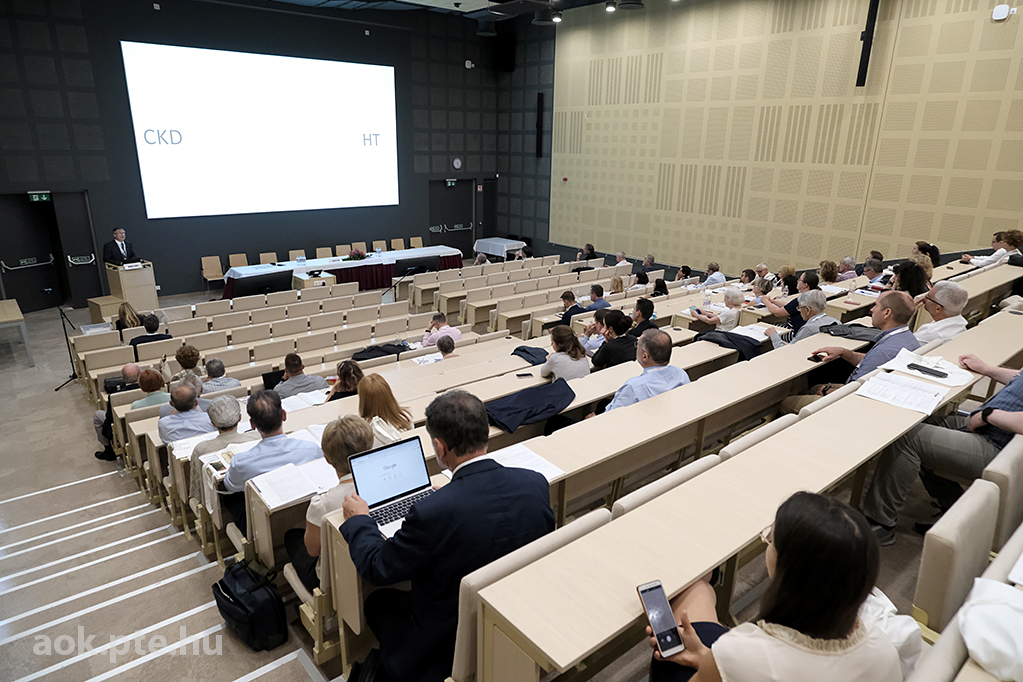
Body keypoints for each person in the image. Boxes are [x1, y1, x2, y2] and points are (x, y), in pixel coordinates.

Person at [339, 390, 555, 682]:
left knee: (377, 602)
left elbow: (378, 567)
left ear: (439, 447)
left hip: (445, 637)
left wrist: (360, 520)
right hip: (513, 611)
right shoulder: (535, 483)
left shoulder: (431, 513)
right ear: (485, 432)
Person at [648, 492, 901, 682]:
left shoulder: (742, 652)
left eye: (771, 538)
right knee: (701, 592)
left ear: (788, 569)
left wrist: (714, 662)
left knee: (673, 649)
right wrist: (708, 658)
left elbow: (748, 665)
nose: (768, 542)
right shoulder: (883, 651)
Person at [863, 353, 1023, 546]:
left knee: (907, 437)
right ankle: (953, 510)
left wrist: (987, 415)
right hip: (991, 428)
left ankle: (879, 523)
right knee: (917, 420)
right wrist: (986, 369)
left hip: (1001, 448)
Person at [781, 291, 920, 414]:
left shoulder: (884, 351)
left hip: (850, 402)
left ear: (887, 313)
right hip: (861, 390)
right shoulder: (907, 339)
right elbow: (872, 360)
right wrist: (844, 352)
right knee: (814, 387)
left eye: (876, 305)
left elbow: (855, 393)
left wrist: (826, 391)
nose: (871, 309)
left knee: (786, 403)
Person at [285, 415, 374, 592]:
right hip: (369, 561)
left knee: (292, 536)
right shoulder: (386, 484)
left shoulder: (322, 503)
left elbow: (313, 550)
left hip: (334, 578)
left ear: (326, 458)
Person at [222, 390, 323, 534]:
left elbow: (230, 486)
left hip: (265, 529)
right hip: (306, 518)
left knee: (232, 498)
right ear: (284, 415)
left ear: (252, 424)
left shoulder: (240, 462)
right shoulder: (311, 449)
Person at [188, 395, 260, 507]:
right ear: (240, 418)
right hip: (257, 497)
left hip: (218, 505)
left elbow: (197, 489)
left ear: (213, 423)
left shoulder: (201, 449)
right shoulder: (256, 438)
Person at [599, 329, 689, 413]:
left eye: (637, 346)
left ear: (644, 356)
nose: (636, 348)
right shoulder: (681, 374)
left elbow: (612, 415)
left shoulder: (633, 387)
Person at [93, 363, 140, 461]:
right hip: (140, 421)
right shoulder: (148, 388)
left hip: (121, 425)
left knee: (97, 415)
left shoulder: (114, 396)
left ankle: (108, 451)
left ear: (122, 378)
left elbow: (110, 417)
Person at [765, 290, 839, 349]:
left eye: (799, 308)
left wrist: (774, 335)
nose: (799, 311)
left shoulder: (808, 328)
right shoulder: (836, 322)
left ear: (807, 310)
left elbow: (787, 350)